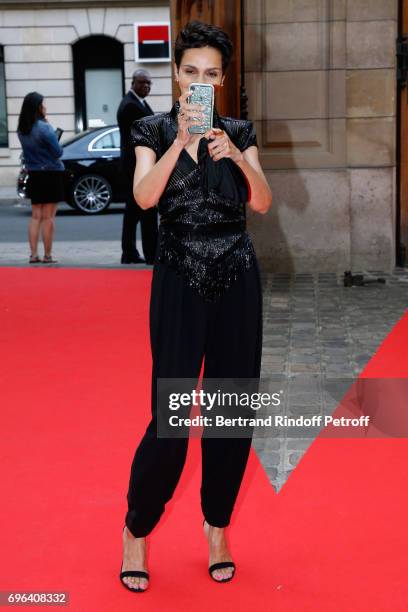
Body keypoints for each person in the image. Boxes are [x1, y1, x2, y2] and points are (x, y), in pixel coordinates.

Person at [119, 20, 272, 592]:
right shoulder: (150, 129)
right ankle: (137, 529)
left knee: (232, 414)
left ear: (223, 80)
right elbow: (143, 196)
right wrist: (181, 142)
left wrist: (236, 155)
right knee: (172, 419)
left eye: (211, 74)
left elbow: (262, 202)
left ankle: (217, 527)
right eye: (191, 72)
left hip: (237, 276)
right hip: (179, 277)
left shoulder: (238, 130)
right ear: (176, 76)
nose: (199, 81)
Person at [17, 92, 65, 264]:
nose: (45, 107)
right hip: (51, 173)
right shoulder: (44, 127)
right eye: (43, 104)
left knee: (36, 216)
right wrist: (49, 126)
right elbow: (58, 152)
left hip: (34, 174)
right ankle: (47, 255)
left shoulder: (22, 129)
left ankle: (33, 254)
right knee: (49, 217)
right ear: (38, 107)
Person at [117, 69, 158, 264]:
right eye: (142, 83)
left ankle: (129, 253)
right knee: (147, 209)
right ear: (133, 83)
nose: (146, 86)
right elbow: (146, 135)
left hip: (138, 165)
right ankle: (151, 254)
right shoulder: (130, 106)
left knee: (133, 213)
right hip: (137, 167)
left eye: (149, 83)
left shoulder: (138, 102)